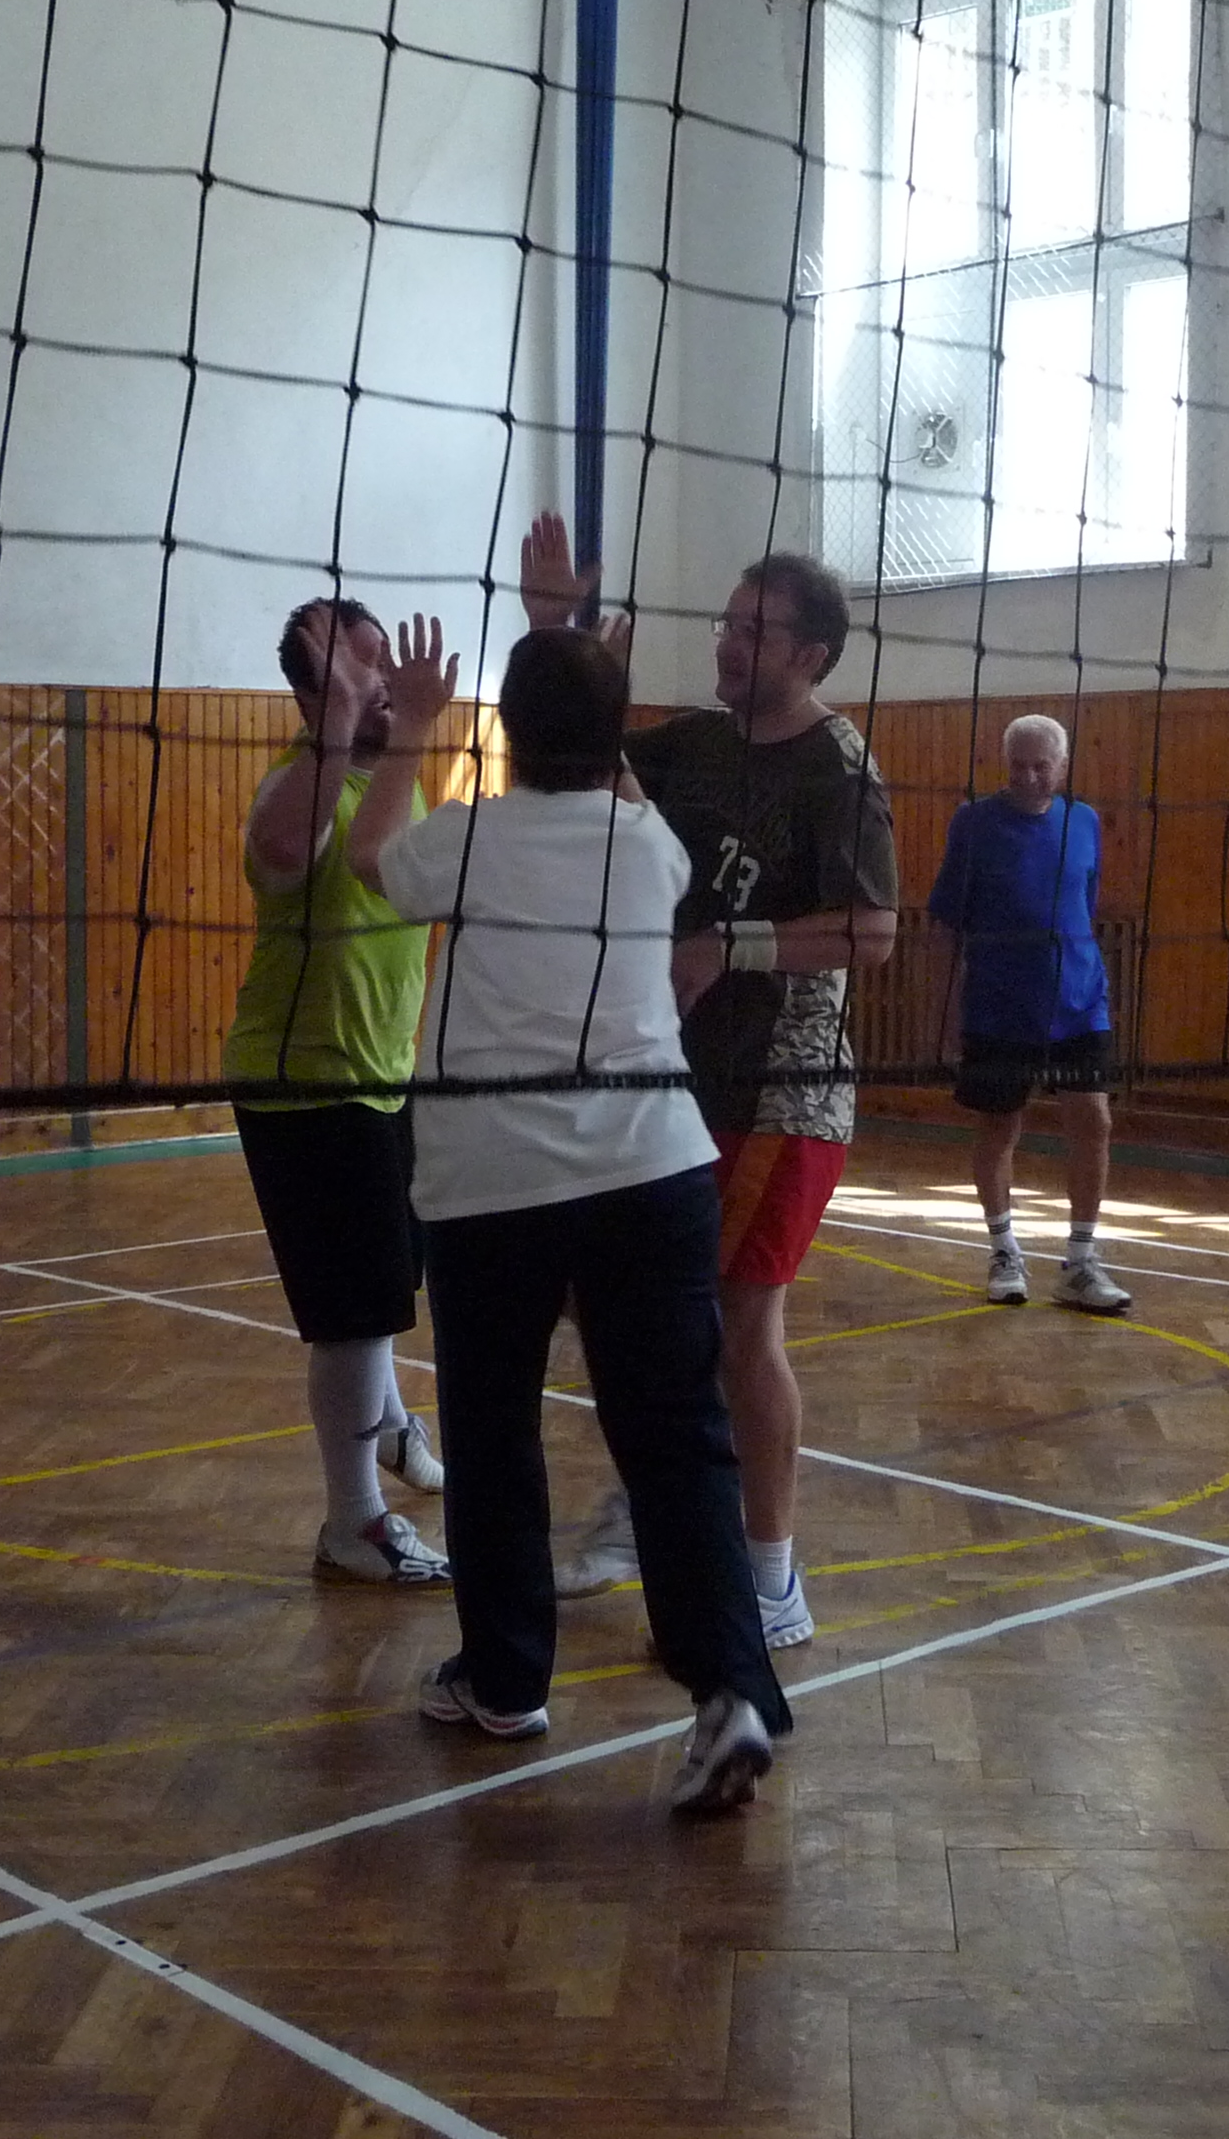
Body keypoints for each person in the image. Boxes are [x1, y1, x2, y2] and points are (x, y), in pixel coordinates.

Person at [346, 617, 788, 1814]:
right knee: (679, 1440)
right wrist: (578, 661)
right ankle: (730, 1691)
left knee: (493, 1434)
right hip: (654, 1171)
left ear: (508, 730)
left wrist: (414, 729)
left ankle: (504, 1682)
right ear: (617, 735)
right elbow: (613, 779)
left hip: (494, 1184)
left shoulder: (468, 834)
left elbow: (366, 858)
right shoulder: (649, 844)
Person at [519, 514, 897, 1652]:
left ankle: (772, 1576)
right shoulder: (692, 744)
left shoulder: (839, 771)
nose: (729, 644)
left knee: (739, 1321)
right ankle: (655, 1503)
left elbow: (873, 932)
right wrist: (553, 631)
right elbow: (596, 770)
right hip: (671, 1078)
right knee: (620, 1301)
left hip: (782, 1087)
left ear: (811, 656)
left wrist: (730, 946)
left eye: (756, 631)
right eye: (728, 624)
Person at [224, 595, 449, 1588]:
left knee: (385, 1285)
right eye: (359, 663)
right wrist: (341, 715)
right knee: (355, 1315)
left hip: (387, 1079)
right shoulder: (297, 784)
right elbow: (283, 852)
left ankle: (391, 1426)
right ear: (317, 688)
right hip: (308, 1086)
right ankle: (354, 1522)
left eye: (382, 658)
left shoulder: (395, 782)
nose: (382, 676)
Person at [928, 713, 1129, 1313]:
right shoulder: (974, 823)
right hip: (998, 1008)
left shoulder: (1083, 821)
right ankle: (1003, 1251)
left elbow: (1083, 906)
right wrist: (941, 1016)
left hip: (1079, 1003)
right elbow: (945, 925)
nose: (1030, 776)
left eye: (1042, 766)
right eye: (1019, 765)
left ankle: (1081, 1261)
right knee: (999, 1127)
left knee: (1093, 1121)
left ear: (1062, 766)